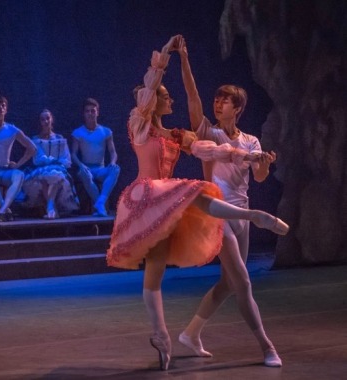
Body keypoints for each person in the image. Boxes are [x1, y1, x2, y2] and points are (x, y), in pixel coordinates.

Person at [106, 35, 289, 371]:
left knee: (203, 278)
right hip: (149, 199)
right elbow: (151, 97)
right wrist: (165, 57)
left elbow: (211, 151)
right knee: (197, 194)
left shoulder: (179, 135)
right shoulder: (140, 124)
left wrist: (246, 156)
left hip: (171, 204)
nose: (168, 98)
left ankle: (175, 336)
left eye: (224, 100)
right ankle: (173, 336)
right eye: (165, 95)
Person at [177, 36, 283, 367]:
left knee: (227, 282)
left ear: (237, 108)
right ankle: (267, 347)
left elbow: (261, 176)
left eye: (225, 101)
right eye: (217, 99)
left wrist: (263, 163)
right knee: (243, 280)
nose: (218, 103)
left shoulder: (250, 140)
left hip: (242, 214)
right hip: (217, 213)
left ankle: (191, 333)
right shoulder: (210, 134)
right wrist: (184, 58)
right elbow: (192, 97)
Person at [21, 109, 79, 219]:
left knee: (56, 175)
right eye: (43, 119)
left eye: (48, 118)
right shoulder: (36, 140)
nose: (46, 121)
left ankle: (50, 207)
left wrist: (56, 163)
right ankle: (51, 208)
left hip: (58, 170)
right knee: (44, 177)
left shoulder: (59, 139)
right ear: (40, 122)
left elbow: (66, 158)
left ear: (52, 119)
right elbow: (38, 158)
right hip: (41, 170)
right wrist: (51, 161)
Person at [71, 98, 120, 216]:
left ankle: (100, 202)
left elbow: (113, 152)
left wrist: (112, 162)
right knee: (84, 173)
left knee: (116, 169)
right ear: (84, 114)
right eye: (87, 111)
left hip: (100, 168)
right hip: (86, 168)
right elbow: (73, 154)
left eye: (93, 111)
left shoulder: (106, 131)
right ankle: (100, 206)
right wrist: (81, 165)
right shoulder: (78, 132)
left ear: (97, 112)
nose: (90, 114)